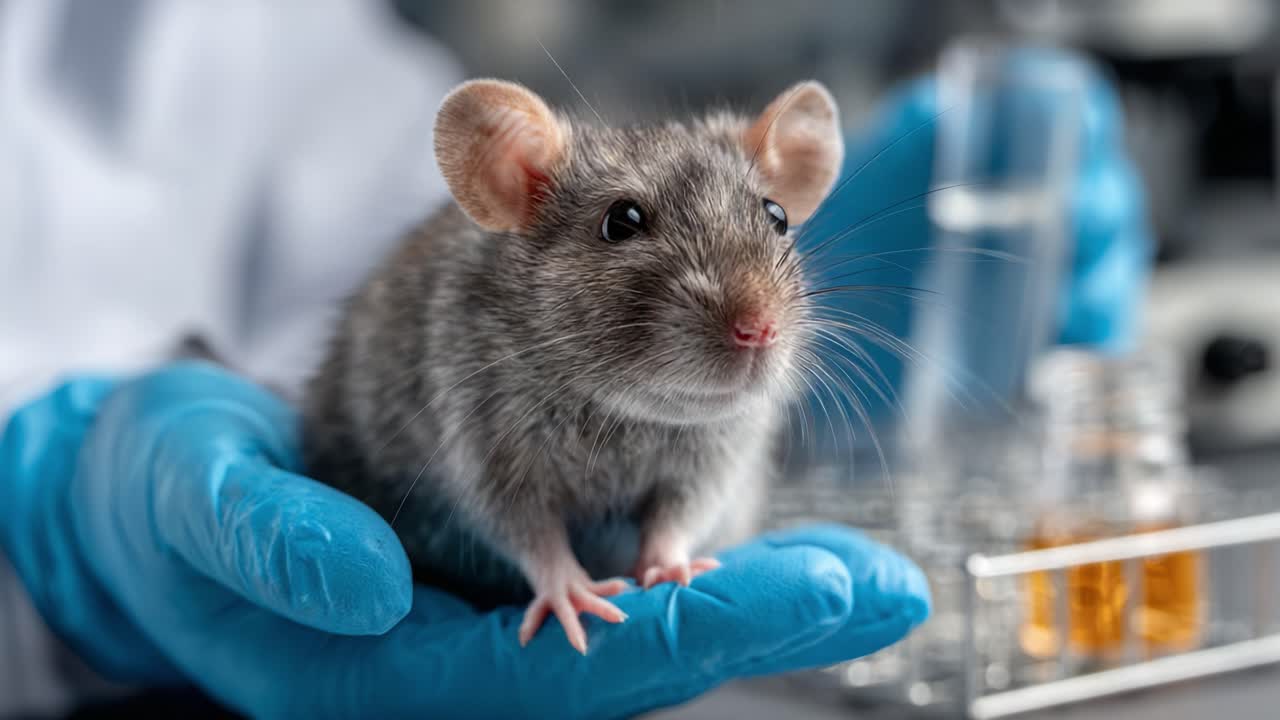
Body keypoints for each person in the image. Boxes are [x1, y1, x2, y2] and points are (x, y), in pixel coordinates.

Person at [0, 1, 1148, 718]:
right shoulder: (488, 316)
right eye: (625, 227)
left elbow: (337, 181)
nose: (751, 312)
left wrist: (671, 537)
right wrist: (545, 562)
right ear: (514, 191)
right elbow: (485, 454)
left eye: (771, 222)